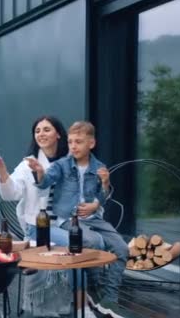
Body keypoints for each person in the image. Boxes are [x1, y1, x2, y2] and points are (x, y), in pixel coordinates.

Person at [0, 115, 98, 317]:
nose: (41, 133)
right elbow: (10, 193)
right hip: (38, 227)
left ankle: (85, 300)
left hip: (65, 221)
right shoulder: (28, 165)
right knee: (74, 245)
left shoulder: (71, 161)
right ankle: (81, 305)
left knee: (92, 242)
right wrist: (3, 172)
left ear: (59, 133)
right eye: (38, 130)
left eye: (47, 129)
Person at [27, 121, 130, 318]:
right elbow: (44, 184)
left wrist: (102, 192)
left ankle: (109, 299)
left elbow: (102, 195)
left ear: (91, 144)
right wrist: (39, 173)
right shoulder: (61, 165)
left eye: (79, 142)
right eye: (71, 142)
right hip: (69, 219)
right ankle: (94, 291)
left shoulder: (99, 167)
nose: (73, 146)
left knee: (122, 248)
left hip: (94, 218)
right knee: (90, 241)